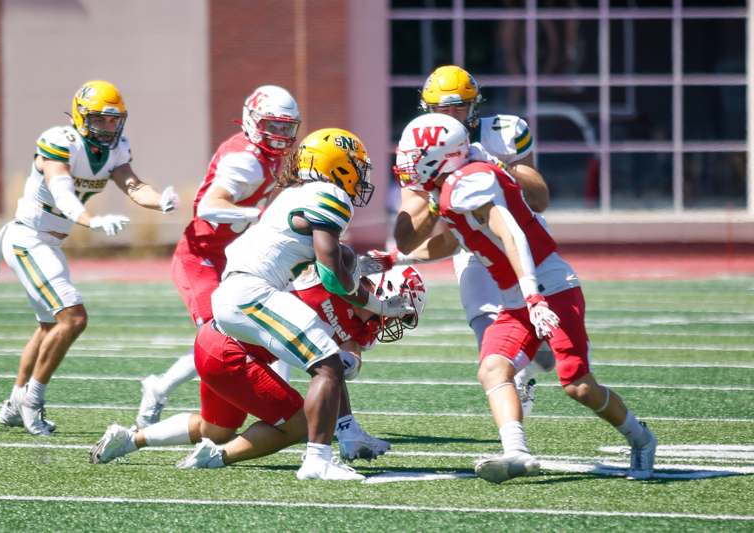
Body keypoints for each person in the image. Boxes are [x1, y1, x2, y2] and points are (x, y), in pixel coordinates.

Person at [392, 112, 657, 483]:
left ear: (443, 153)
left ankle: (641, 438)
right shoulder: (452, 185)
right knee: (492, 368)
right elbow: (456, 239)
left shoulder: (470, 180)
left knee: (578, 385)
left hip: (549, 287)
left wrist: (532, 295)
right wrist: (395, 257)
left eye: (415, 153)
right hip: (517, 296)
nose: (407, 161)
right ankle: (516, 452)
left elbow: (512, 234)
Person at [211, 128, 413, 480]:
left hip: (242, 290)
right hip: (251, 292)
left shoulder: (299, 192)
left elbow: (323, 256)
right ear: (338, 166)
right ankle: (317, 460)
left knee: (328, 360)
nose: (361, 176)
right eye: (356, 167)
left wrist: (357, 263)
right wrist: (381, 306)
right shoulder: (329, 193)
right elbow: (332, 276)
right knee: (328, 365)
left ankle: (347, 434)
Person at [89, 264, 427, 470]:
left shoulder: (361, 327)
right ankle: (217, 458)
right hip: (232, 350)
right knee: (300, 425)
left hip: (218, 344)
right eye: (401, 310)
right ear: (386, 292)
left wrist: (349, 363)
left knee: (215, 428)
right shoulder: (329, 282)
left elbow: (348, 359)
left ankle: (130, 439)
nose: (396, 320)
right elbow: (322, 268)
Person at [0, 80, 179, 436]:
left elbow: (133, 185)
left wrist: (160, 200)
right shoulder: (60, 141)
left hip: (49, 244)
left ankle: (15, 401)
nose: (108, 128)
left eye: (113, 121)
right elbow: (61, 191)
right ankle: (33, 399)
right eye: (100, 120)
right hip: (27, 238)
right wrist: (92, 220)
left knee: (49, 327)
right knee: (73, 319)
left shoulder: (117, 148)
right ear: (80, 116)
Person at [364, 65, 554, 416]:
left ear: (474, 106)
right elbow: (408, 237)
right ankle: (515, 389)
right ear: (427, 110)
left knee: (557, 332)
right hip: (470, 242)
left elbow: (539, 199)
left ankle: (533, 347)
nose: (451, 116)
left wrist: (499, 168)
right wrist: (439, 190)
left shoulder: (505, 132)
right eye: (442, 109)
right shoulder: (418, 144)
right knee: (484, 321)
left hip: (522, 235)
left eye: (459, 108)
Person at [135, 85, 301, 428]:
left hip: (232, 257)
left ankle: (282, 408)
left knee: (267, 326)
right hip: (202, 257)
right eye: (274, 126)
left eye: (287, 127)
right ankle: (163, 390)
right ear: (253, 121)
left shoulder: (265, 154)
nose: (281, 135)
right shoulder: (247, 161)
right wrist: (257, 217)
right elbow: (210, 205)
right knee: (221, 336)